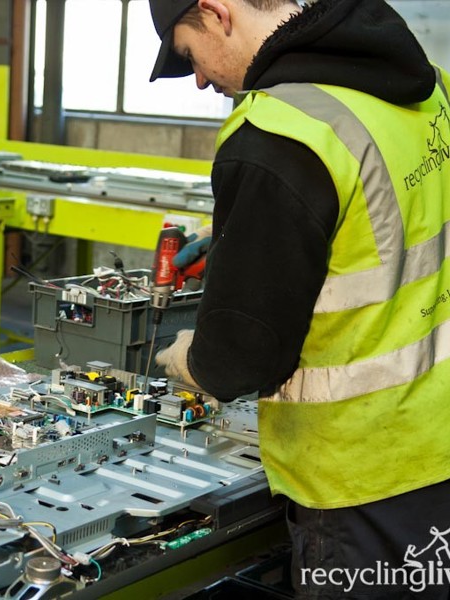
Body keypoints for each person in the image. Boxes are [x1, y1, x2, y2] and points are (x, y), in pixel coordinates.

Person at [150, 0, 450, 598]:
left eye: (190, 56)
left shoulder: (280, 129)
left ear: (216, 12)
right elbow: (401, 220)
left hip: (360, 472)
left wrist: (190, 359)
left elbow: (238, 359)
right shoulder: (427, 86)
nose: (203, 79)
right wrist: (272, 231)